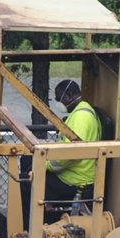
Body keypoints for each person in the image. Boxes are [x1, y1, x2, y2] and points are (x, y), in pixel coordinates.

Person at [20, 80, 101, 230]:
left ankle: (30, 229)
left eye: (59, 98)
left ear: (69, 95)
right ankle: (42, 221)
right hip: (73, 173)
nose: (58, 102)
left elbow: (69, 155)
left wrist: (42, 165)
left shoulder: (81, 118)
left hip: (75, 179)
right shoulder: (82, 111)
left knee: (26, 183)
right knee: (26, 160)